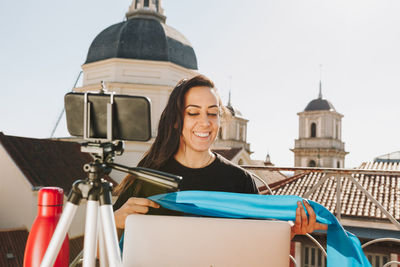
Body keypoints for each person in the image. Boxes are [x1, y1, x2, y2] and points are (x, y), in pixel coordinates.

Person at [113, 74, 327, 239]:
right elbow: (102, 250)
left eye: (213, 113)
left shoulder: (240, 181)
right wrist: (114, 221)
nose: (205, 122)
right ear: (176, 120)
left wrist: (292, 231)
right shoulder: (148, 177)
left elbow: (258, 242)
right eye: (193, 112)